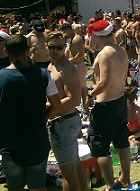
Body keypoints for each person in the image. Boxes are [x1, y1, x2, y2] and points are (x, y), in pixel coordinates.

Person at [0, 34, 62, 191]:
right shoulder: (44, 75)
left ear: (6, 51)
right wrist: (42, 117)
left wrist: (0, 133)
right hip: (36, 139)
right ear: (28, 50)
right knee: (38, 186)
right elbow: (56, 105)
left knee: (15, 186)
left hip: (9, 141)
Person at [86, 19, 133, 191]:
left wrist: (90, 95)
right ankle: (125, 178)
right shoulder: (121, 50)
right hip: (119, 101)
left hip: (106, 104)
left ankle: (109, 185)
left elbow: (104, 82)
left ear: (97, 37)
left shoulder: (105, 53)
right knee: (121, 141)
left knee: (101, 147)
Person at [46, 31, 89, 191]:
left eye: (59, 47)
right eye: (52, 47)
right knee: (75, 165)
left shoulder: (66, 68)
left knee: (67, 173)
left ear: (65, 47)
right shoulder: (52, 65)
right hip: (64, 121)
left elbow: (74, 99)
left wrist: (48, 112)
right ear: (46, 47)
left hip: (63, 122)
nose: (55, 51)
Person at [60, 23, 89, 112]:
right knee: (75, 87)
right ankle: (80, 106)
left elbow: (80, 54)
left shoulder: (77, 39)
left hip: (79, 66)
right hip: (74, 66)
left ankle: (86, 107)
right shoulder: (70, 39)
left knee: (83, 88)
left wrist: (69, 61)